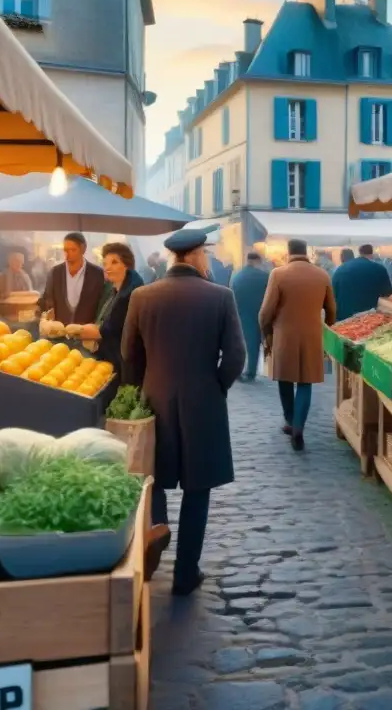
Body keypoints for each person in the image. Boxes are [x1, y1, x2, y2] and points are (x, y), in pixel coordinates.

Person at [122, 228, 245, 596]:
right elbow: (236, 356)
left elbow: (130, 353)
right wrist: (215, 385)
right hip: (202, 402)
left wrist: (144, 387)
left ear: (174, 257)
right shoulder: (221, 296)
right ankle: (186, 572)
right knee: (198, 487)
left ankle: (156, 536)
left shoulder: (142, 296)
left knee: (155, 479)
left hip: (155, 397)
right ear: (197, 255)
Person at [259, 238, 336, 452]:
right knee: (305, 382)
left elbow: (266, 311)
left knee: (284, 378)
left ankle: (290, 421)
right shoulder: (322, 275)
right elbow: (331, 309)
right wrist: (327, 329)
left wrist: (265, 332)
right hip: (312, 334)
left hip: (284, 335)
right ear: (307, 253)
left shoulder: (278, 274)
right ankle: (299, 427)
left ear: (288, 252)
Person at [74, 243, 144, 383]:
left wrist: (68, 330)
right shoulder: (113, 291)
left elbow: (106, 330)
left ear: (127, 265)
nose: (107, 268)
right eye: (105, 263)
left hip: (123, 365)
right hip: (110, 359)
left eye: (114, 262)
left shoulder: (130, 295)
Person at [40, 232, 105, 325]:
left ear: (83, 249)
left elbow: (101, 304)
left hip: (87, 334)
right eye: (66, 250)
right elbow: (47, 298)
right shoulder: (55, 272)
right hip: (59, 333)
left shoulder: (97, 273)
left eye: (73, 250)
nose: (68, 254)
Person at [230, 251, 270, 381]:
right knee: (255, 345)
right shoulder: (265, 276)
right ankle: (251, 371)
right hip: (260, 313)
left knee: (242, 344)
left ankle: (239, 370)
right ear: (257, 261)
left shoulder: (237, 276)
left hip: (241, 314)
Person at [332, 244, 392, 322]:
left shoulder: (340, 269)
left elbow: (333, 296)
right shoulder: (379, 269)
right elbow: (387, 296)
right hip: (370, 321)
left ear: (359, 252)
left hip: (343, 320)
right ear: (372, 253)